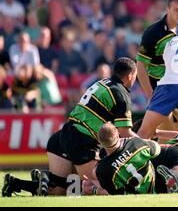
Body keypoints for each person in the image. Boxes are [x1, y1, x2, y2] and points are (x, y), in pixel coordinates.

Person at [2, 57, 139, 197]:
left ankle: (16, 183)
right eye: (135, 75)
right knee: (97, 186)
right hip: (82, 141)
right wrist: (147, 144)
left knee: (59, 190)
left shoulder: (102, 83)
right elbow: (125, 133)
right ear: (130, 76)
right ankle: (48, 178)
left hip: (64, 134)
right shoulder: (121, 93)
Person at [136, 0, 178, 132]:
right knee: (168, 129)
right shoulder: (153, 32)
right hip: (159, 86)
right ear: (167, 10)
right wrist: (150, 94)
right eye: (176, 10)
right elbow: (140, 66)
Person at [82, 122, 163, 195]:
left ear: (99, 141)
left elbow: (115, 194)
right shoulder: (136, 143)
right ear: (118, 135)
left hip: (133, 201)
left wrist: (93, 189)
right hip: (155, 188)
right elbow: (157, 148)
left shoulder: (101, 170)